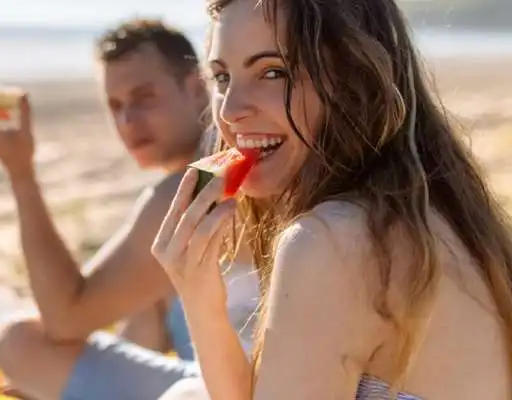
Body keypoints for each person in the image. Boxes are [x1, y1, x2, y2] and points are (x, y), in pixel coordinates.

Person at [152, 0, 512, 399]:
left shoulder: (331, 241)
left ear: (353, 83)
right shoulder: (440, 216)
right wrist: (200, 300)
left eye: (273, 72)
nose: (231, 111)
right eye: (222, 78)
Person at [0, 18, 260, 400]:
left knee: (18, 343)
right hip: (233, 376)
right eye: (116, 105)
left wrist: (20, 171)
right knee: (151, 297)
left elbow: (65, 318)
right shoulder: (239, 163)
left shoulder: (195, 185)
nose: (127, 121)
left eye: (144, 98)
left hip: (233, 388)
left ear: (195, 88)